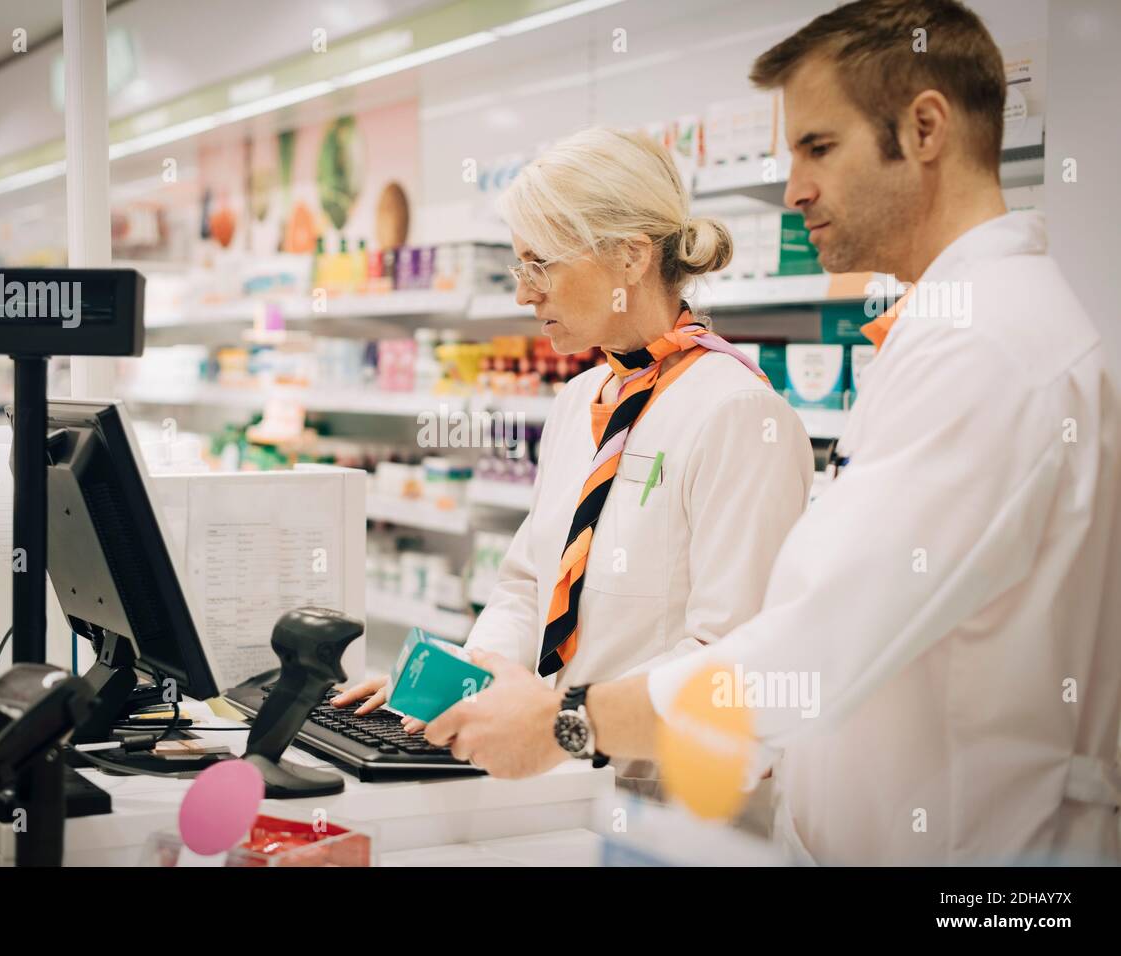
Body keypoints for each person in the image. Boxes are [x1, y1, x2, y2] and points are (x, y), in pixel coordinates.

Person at [422, 0, 1121, 866]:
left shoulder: (987, 350)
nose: (793, 189)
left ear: (926, 128)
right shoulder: (953, 334)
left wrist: (572, 721)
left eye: (818, 147)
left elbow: (810, 646)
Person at [335, 128, 813, 785]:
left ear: (630, 258)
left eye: (541, 264)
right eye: (518, 267)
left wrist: (564, 724)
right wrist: (464, 688)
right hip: (562, 781)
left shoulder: (738, 414)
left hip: (674, 805)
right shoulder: (581, 398)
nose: (524, 294)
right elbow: (530, 585)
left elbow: (730, 659)